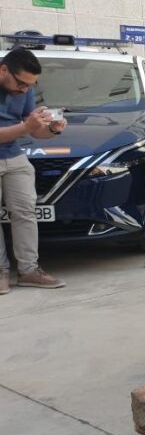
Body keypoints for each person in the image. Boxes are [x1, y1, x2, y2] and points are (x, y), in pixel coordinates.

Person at [0, 47, 67, 293]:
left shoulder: (24, 87)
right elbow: (26, 127)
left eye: (31, 85)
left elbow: (34, 129)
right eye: (21, 84)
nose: (24, 90)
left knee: (26, 213)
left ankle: (29, 270)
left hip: (14, 156)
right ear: (3, 69)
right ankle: (1, 272)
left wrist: (52, 129)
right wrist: (27, 127)